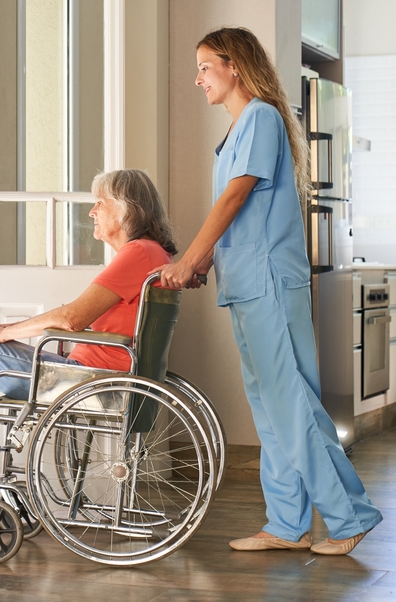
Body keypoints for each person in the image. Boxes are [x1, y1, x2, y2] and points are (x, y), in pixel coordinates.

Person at [155, 27, 382, 555]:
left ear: (234, 65)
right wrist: (202, 262)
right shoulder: (239, 129)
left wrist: (190, 257)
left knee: (290, 405)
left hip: (269, 285)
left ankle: (350, 516)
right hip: (247, 284)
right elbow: (240, 218)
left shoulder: (259, 117)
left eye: (205, 66)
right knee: (271, 407)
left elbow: (235, 199)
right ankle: (286, 522)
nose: (197, 79)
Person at [0, 169, 178, 509]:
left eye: (99, 204)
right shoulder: (150, 254)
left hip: (89, 382)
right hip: (99, 377)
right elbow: (74, 316)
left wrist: (3, 331)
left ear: (124, 210)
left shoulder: (138, 254)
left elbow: (72, 318)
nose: (92, 212)